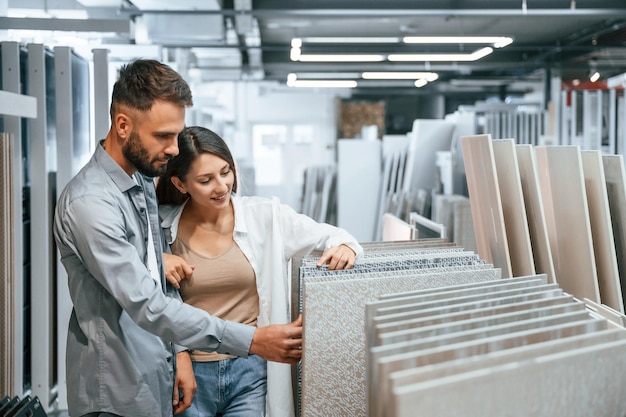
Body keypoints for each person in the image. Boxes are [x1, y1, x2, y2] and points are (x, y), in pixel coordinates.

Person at [53, 59, 303, 417]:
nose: (174, 148)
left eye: (176, 134)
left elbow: (160, 278)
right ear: (123, 125)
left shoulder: (139, 181)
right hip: (116, 394)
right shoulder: (91, 204)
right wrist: (251, 340)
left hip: (156, 377)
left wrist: (180, 353)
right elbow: (148, 305)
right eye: (163, 136)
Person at [156, 126, 364, 417]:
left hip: (250, 370)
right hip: (189, 372)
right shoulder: (162, 230)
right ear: (180, 184)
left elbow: (332, 235)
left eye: (226, 172)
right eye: (205, 180)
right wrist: (156, 259)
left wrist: (346, 247)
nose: (221, 186)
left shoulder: (265, 215)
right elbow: (146, 295)